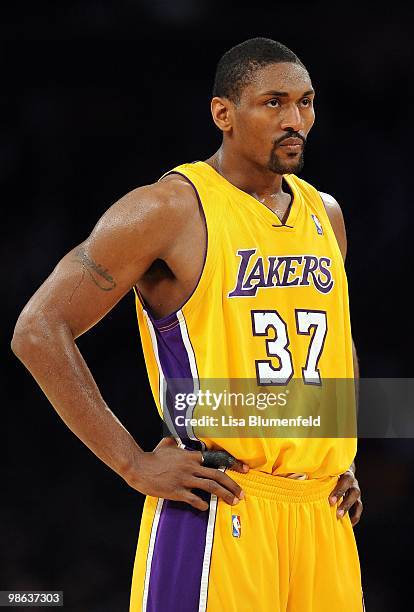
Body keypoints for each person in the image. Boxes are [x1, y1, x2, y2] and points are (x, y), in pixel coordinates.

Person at [11, 37, 364, 611]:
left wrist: (341, 454)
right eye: (273, 102)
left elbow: (334, 338)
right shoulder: (169, 209)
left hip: (321, 513)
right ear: (222, 113)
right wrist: (132, 463)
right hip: (221, 505)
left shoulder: (326, 215)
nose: (295, 120)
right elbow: (37, 329)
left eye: (305, 102)